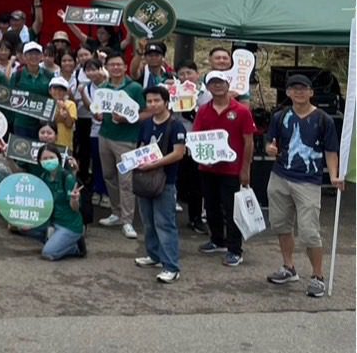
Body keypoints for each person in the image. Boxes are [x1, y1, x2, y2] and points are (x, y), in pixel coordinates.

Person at [263, 73, 341, 297]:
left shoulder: (323, 119)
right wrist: (269, 148)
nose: (298, 92)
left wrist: (334, 175)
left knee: (309, 232)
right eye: (294, 88)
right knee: (281, 225)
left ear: (311, 92)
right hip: (280, 176)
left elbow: (330, 150)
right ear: (287, 92)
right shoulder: (280, 116)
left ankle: (317, 276)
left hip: (308, 182)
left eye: (303, 88)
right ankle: (288, 267)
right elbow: (270, 140)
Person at [191, 71, 256, 267]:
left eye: (221, 82)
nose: (217, 86)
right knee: (211, 206)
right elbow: (197, 137)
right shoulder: (203, 110)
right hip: (208, 168)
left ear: (228, 84)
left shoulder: (242, 110)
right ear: (208, 87)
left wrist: (246, 168)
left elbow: (249, 141)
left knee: (231, 209)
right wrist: (203, 159)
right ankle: (217, 240)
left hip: (232, 170)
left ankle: (235, 249)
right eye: (213, 83)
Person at [132, 85, 186, 284]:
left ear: (166, 102)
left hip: (165, 180)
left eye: (157, 100)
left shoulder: (175, 125)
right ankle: (154, 255)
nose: (153, 104)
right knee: (148, 221)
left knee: (165, 223)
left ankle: (171, 266)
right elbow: (140, 148)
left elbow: (178, 153)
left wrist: (154, 163)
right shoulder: (146, 124)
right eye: (149, 101)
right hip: (145, 179)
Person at [95, 53, 146, 239]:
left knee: (126, 181)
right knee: (109, 176)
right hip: (105, 136)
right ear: (107, 67)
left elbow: (146, 112)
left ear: (125, 67)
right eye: (112, 65)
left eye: (119, 65)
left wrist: (128, 119)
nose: (116, 68)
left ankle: (127, 220)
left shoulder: (135, 88)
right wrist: (98, 115)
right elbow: (98, 110)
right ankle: (116, 213)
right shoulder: (103, 88)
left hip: (126, 140)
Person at [23, 144, 85, 261]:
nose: (48, 161)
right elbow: (40, 203)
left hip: (69, 225)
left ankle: (76, 247)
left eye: (51, 158)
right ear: (39, 162)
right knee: (21, 227)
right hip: (52, 221)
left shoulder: (67, 178)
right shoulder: (43, 177)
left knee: (48, 253)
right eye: (44, 159)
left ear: (58, 158)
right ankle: (55, 239)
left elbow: (75, 209)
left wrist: (74, 199)